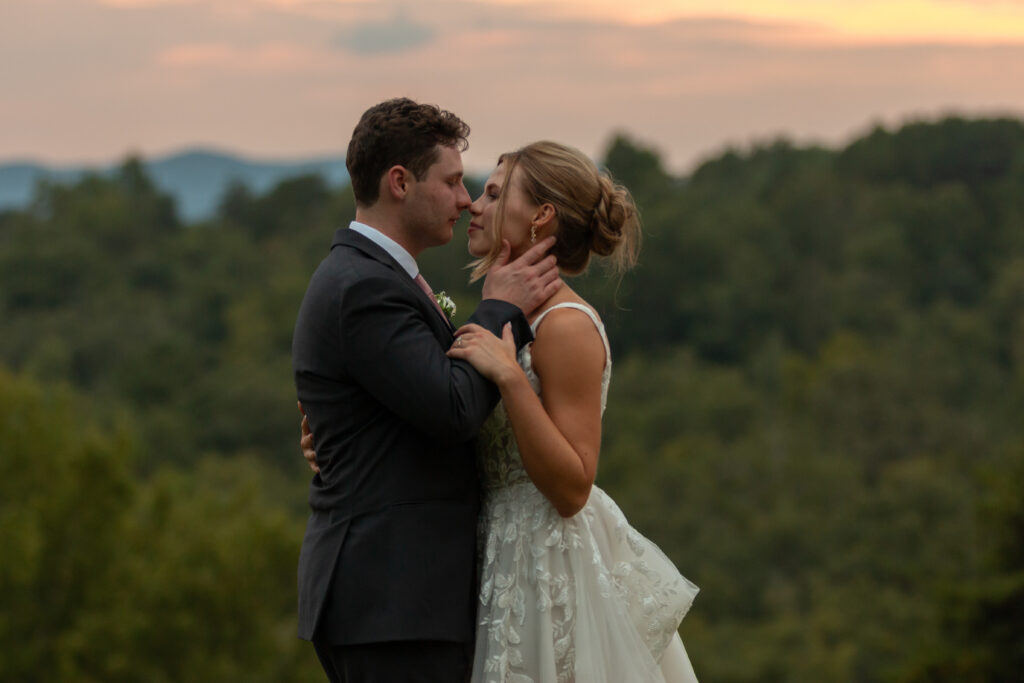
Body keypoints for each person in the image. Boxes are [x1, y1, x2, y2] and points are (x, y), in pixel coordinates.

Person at [304, 140, 700, 681]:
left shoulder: (565, 326)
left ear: (540, 217)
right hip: (488, 562)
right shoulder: (503, 315)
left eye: (493, 193)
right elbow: (448, 409)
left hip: (546, 568)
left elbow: (573, 488)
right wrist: (350, 439)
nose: (474, 205)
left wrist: (512, 379)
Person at [291, 98, 561, 683]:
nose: (465, 202)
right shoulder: (364, 286)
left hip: (399, 601)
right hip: (390, 602)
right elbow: (454, 407)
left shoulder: (376, 277)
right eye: (453, 181)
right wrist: (499, 307)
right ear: (399, 182)